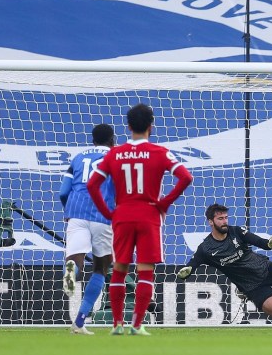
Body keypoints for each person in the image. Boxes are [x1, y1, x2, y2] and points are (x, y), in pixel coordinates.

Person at [87, 103, 194, 336]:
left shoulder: (115, 153)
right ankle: (136, 325)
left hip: (122, 215)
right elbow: (186, 177)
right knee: (145, 270)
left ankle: (117, 324)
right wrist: (165, 202)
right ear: (150, 126)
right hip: (149, 215)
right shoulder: (159, 152)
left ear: (128, 127)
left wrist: (108, 213)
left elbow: (92, 184)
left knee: (119, 268)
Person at [58, 123, 117, 335]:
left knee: (75, 258)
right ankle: (80, 321)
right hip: (102, 214)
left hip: (76, 212)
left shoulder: (77, 158)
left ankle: (71, 271)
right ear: (113, 140)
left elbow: (63, 192)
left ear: (92, 140)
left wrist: (69, 211)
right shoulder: (116, 156)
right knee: (101, 269)